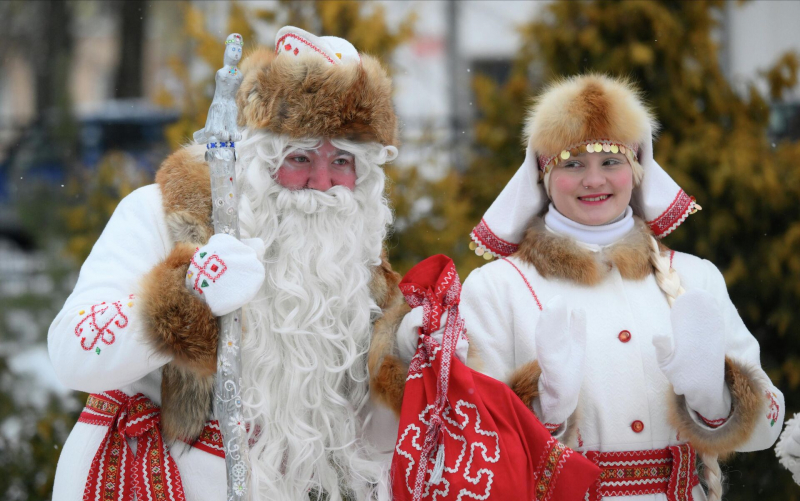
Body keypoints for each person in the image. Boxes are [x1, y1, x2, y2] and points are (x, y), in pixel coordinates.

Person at [48, 26, 403, 501]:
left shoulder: (352, 259)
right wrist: (191, 295)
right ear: (255, 155)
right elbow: (73, 354)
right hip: (157, 480)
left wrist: (412, 358)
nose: (323, 182)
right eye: (299, 157)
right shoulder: (161, 213)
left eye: (342, 160)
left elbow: (368, 439)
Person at [457, 74, 784, 500]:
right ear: (542, 175)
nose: (594, 180)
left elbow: (766, 429)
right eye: (573, 163)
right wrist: (546, 413)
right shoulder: (495, 289)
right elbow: (473, 449)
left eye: (611, 161)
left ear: (636, 170)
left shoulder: (696, 278)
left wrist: (716, 398)